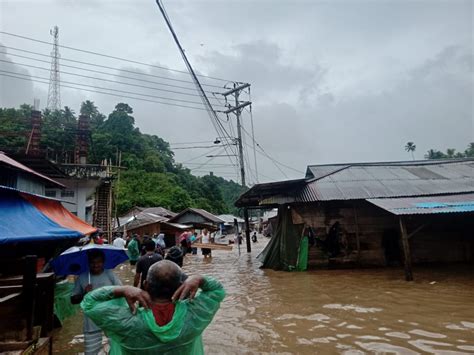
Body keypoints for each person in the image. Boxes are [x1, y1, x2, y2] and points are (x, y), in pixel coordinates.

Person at [81, 261, 225, 355]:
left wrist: (122, 289)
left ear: (146, 285)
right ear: (181, 286)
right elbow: (217, 290)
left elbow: (89, 302)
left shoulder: (127, 320)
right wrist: (199, 279)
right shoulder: (195, 314)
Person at [71, 250, 122, 355]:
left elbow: (122, 291)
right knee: (91, 352)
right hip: (91, 322)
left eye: (98, 262)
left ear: (103, 262)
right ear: (88, 263)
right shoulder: (83, 277)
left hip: (110, 319)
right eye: (92, 262)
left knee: (116, 350)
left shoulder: (110, 274)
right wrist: (84, 293)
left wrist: (109, 294)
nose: (95, 265)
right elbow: (73, 300)